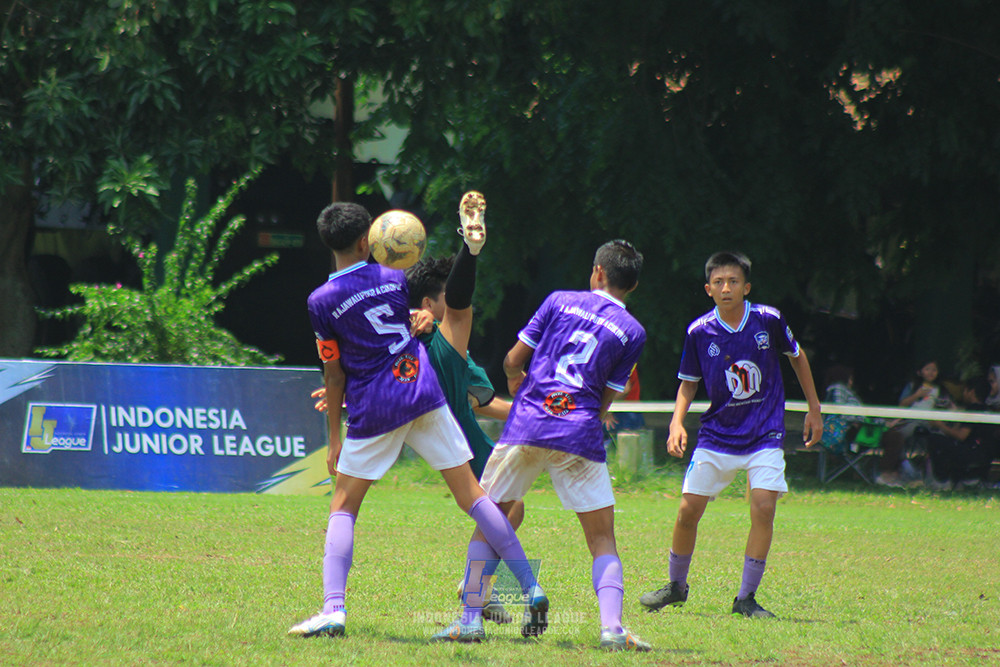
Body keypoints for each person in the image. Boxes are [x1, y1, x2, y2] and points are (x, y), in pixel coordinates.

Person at [288, 201, 546, 640]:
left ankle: (333, 609)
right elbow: (404, 323)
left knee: (343, 506)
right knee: (474, 496)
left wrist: (333, 437)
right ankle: (531, 586)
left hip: (375, 405)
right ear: (365, 240)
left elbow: (334, 372)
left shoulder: (320, 301)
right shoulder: (392, 280)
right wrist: (421, 317)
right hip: (421, 390)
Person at [436, 239, 651, 652]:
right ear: (633, 285)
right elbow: (607, 398)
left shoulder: (559, 301)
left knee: (490, 518)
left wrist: (519, 389)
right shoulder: (633, 332)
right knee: (602, 539)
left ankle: (468, 621)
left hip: (528, 424)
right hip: (580, 433)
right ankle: (611, 630)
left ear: (598, 272)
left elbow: (513, 360)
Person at [639, 251, 822, 619]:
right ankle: (676, 586)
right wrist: (676, 422)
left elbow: (797, 357)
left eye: (734, 281)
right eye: (719, 282)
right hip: (717, 435)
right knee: (687, 511)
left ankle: (746, 599)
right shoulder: (698, 331)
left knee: (764, 507)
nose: (727, 288)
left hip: (764, 433)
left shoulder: (768, 320)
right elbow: (688, 385)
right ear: (708, 289)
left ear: (746, 287)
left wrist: (814, 409)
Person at [820, 364, 907, 487]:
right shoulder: (839, 389)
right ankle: (885, 474)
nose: (851, 381)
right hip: (853, 431)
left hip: (857, 429)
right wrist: (881, 423)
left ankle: (881, 473)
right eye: (850, 378)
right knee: (895, 438)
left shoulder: (835, 390)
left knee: (893, 436)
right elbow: (841, 411)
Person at [925, 376, 1000, 490]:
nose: (963, 393)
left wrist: (940, 425)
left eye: (965, 390)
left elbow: (961, 436)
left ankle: (942, 481)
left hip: (972, 452)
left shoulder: (973, 410)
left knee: (934, 439)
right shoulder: (986, 409)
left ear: (971, 392)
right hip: (985, 454)